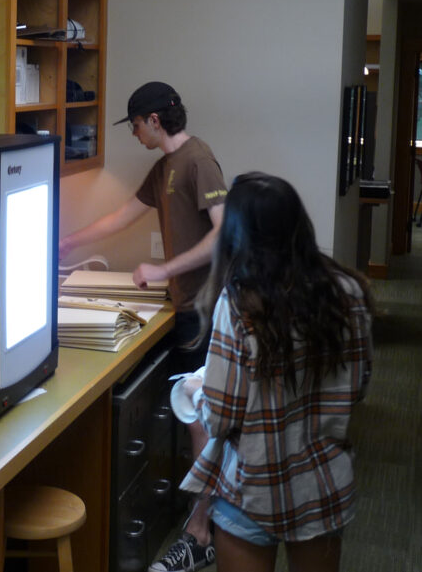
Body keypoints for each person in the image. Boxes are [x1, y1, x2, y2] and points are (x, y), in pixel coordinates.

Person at [57, 80, 227, 569]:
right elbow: (120, 217)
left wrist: (163, 270)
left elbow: (225, 232)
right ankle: (199, 520)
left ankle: (200, 534)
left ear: (154, 120)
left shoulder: (198, 160)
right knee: (188, 413)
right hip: (183, 305)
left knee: (199, 420)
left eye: (134, 125)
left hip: (205, 309)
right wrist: (67, 242)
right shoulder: (163, 169)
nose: (132, 134)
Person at [170, 172, 373, 572]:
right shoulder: (348, 292)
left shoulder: (240, 305)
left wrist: (195, 389)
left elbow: (221, 416)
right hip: (323, 482)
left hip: (253, 488)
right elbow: (358, 386)